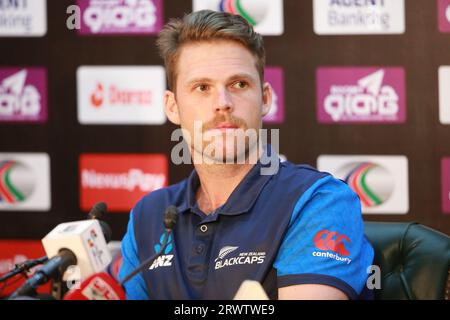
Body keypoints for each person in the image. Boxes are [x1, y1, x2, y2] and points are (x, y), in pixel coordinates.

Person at [118, 10, 374, 300]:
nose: (223, 104)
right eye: (202, 88)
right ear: (172, 106)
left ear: (264, 98)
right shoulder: (148, 215)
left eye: (239, 84)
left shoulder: (318, 200)